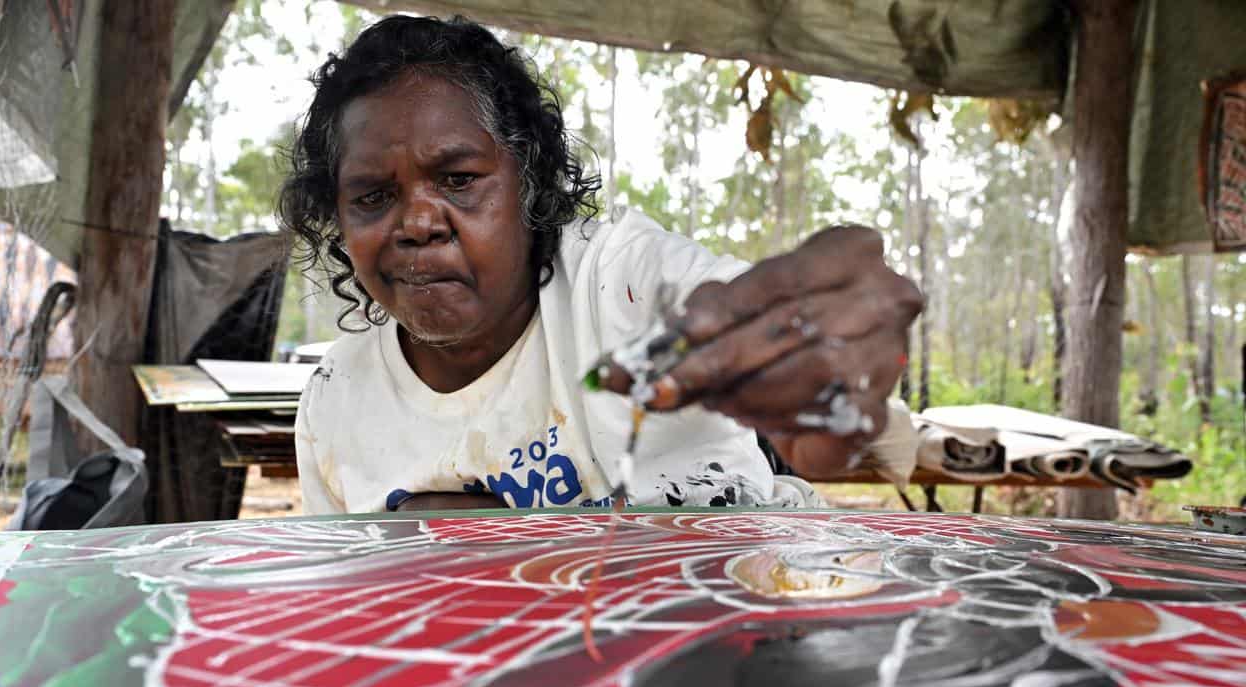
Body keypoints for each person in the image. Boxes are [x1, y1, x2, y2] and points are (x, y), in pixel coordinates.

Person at [279, 15, 923, 514]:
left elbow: (730, 302)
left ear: (527, 181)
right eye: (372, 197)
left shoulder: (619, 289)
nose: (418, 223)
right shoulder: (338, 403)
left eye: (458, 179)